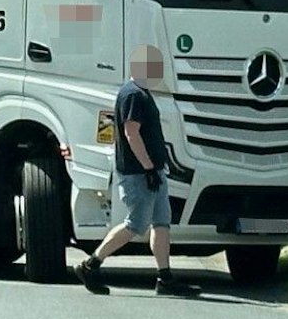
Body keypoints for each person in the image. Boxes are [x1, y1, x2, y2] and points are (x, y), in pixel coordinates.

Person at [75, 45, 199, 296]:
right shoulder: (133, 95)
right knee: (135, 225)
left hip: (152, 172)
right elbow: (132, 133)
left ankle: (165, 278)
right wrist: (149, 168)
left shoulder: (141, 93)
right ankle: (91, 264)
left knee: (162, 224)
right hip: (139, 173)